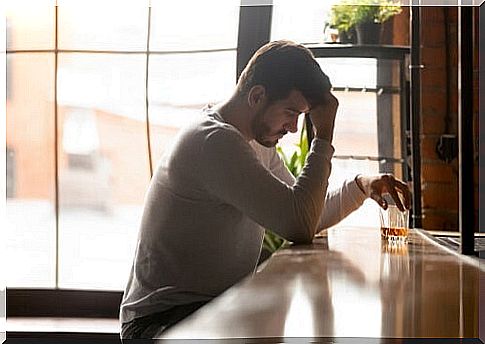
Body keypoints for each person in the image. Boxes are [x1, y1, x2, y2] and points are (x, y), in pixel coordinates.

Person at [119, 40, 411, 339]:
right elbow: (298, 224)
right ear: (257, 96)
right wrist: (323, 136)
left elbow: (307, 215)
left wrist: (360, 186)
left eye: (301, 115)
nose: (294, 127)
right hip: (163, 321)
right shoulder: (213, 141)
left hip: (210, 307)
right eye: (291, 112)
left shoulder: (254, 143)